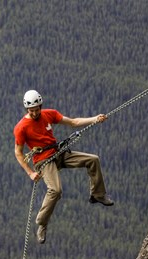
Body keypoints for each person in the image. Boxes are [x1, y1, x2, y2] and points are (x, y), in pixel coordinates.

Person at [14, 89, 114, 244]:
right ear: (27, 109)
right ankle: (42, 223)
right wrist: (30, 173)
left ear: (41, 106)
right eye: (31, 111)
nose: (34, 113)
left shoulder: (49, 114)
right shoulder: (21, 127)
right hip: (43, 161)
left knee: (93, 159)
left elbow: (74, 122)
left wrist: (95, 119)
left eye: (36, 109)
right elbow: (18, 153)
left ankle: (98, 195)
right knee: (55, 190)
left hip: (58, 153)